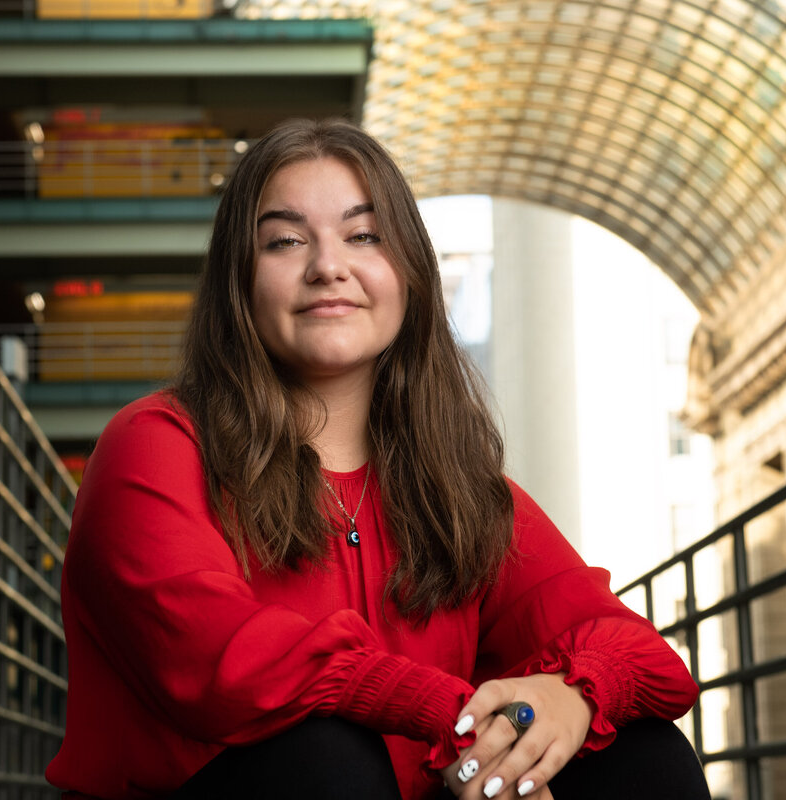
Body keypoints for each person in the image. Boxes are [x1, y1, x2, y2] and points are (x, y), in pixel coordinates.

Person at [45, 118, 709, 800]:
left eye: (364, 235)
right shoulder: (155, 446)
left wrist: (564, 701)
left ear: (411, 275)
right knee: (323, 756)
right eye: (285, 240)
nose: (328, 265)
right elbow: (221, 661)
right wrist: (469, 727)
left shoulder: (457, 490)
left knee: (641, 753)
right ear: (239, 284)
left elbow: (644, 658)